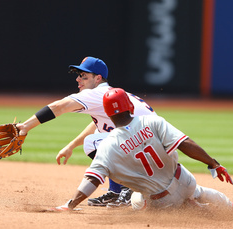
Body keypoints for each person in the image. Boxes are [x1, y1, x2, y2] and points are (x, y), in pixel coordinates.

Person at [51, 88, 233, 216]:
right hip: (185, 181)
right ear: (130, 105)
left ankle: (194, 209)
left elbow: (92, 179)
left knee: (135, 200)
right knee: (210, 197)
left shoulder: (108, 145)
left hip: (161, 202)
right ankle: (230, 208)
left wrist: (70, 205)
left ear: (107, 114)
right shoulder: (152, 121)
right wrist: (213, 163)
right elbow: (185, 144)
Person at [16, 56, 156, 207]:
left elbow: (58, 107)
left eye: (84, 76)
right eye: (78, 75)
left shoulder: (96, 93)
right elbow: (99, 125)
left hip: (145, 149)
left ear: (98, 78)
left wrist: (25, 126)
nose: (78, 79)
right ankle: (116, 192)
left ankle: (127, 188)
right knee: (97, 138)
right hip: (155, 149)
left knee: (91, 143)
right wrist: (71, 145)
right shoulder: (111, 94)